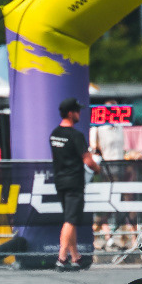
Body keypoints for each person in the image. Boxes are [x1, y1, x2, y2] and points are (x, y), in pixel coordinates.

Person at [50, 97, 101, 271]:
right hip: (74, 182)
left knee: (69, 219)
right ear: (71, 113)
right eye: (77, 111)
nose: (79, 114)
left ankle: (75, 257)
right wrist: (98, 169)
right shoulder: (76, 136)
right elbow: (88, 161)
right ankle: (62, 258)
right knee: (71, 220)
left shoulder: (54, 134)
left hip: (60, 181)